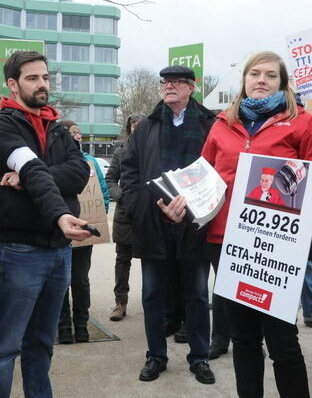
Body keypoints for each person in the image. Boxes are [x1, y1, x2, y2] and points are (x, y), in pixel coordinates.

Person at [200, 51, 312, 398]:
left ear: (283, 83)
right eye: (254, 73)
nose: (261, 80)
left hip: (278, 246)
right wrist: (183, 202)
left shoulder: (302, 122)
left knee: (282, 340)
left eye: (271, 75)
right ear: (243, 80)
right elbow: (204, 176)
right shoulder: (221, 123)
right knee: (243, 338)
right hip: (227, 242)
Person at [0, 50, 92, 397]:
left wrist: (31, 177)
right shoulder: (2, 125)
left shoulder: (58, 128)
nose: (42, 84)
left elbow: (79, 174)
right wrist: (58, 211)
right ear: (12, 85)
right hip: (19, 252)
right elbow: (31, 168)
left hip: (59, 253)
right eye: (33, 78)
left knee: (42, 344)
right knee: (3, 349)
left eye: (45, 77)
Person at [120, 64, 217, 385]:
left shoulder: (209, 124)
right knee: (152, 295)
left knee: (197, 295)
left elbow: (218, 170)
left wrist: (196, 207)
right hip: (153, 222)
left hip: (195, 224)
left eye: (176, 82)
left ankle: (199, 356)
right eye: (166, 82)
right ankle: (156, 356)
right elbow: (130, 170)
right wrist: (137, 206)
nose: (168, 86)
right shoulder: (147, 126)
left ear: (191, 87)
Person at [57, 120, 110, 344]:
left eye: (79, 132)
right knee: (60, 281)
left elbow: (102, 190)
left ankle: (81, 325)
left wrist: (100, 214)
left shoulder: (89, 162)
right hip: (60, 232)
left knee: (80, 279)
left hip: (84, 230)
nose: (77, 136)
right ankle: (63, 328)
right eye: (72, 133)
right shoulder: (54, 162)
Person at [105, 113, 145, 322]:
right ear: (129, 129)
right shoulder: (120, 153)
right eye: (134, 126)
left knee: (151, 261)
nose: (137, 129)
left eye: (141, 126)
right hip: (125, 214)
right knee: (123, 260)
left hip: (148, 213)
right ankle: (120, 302)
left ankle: (152, 301)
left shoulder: (152, 150)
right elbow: (110, 179)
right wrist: (120, 196)